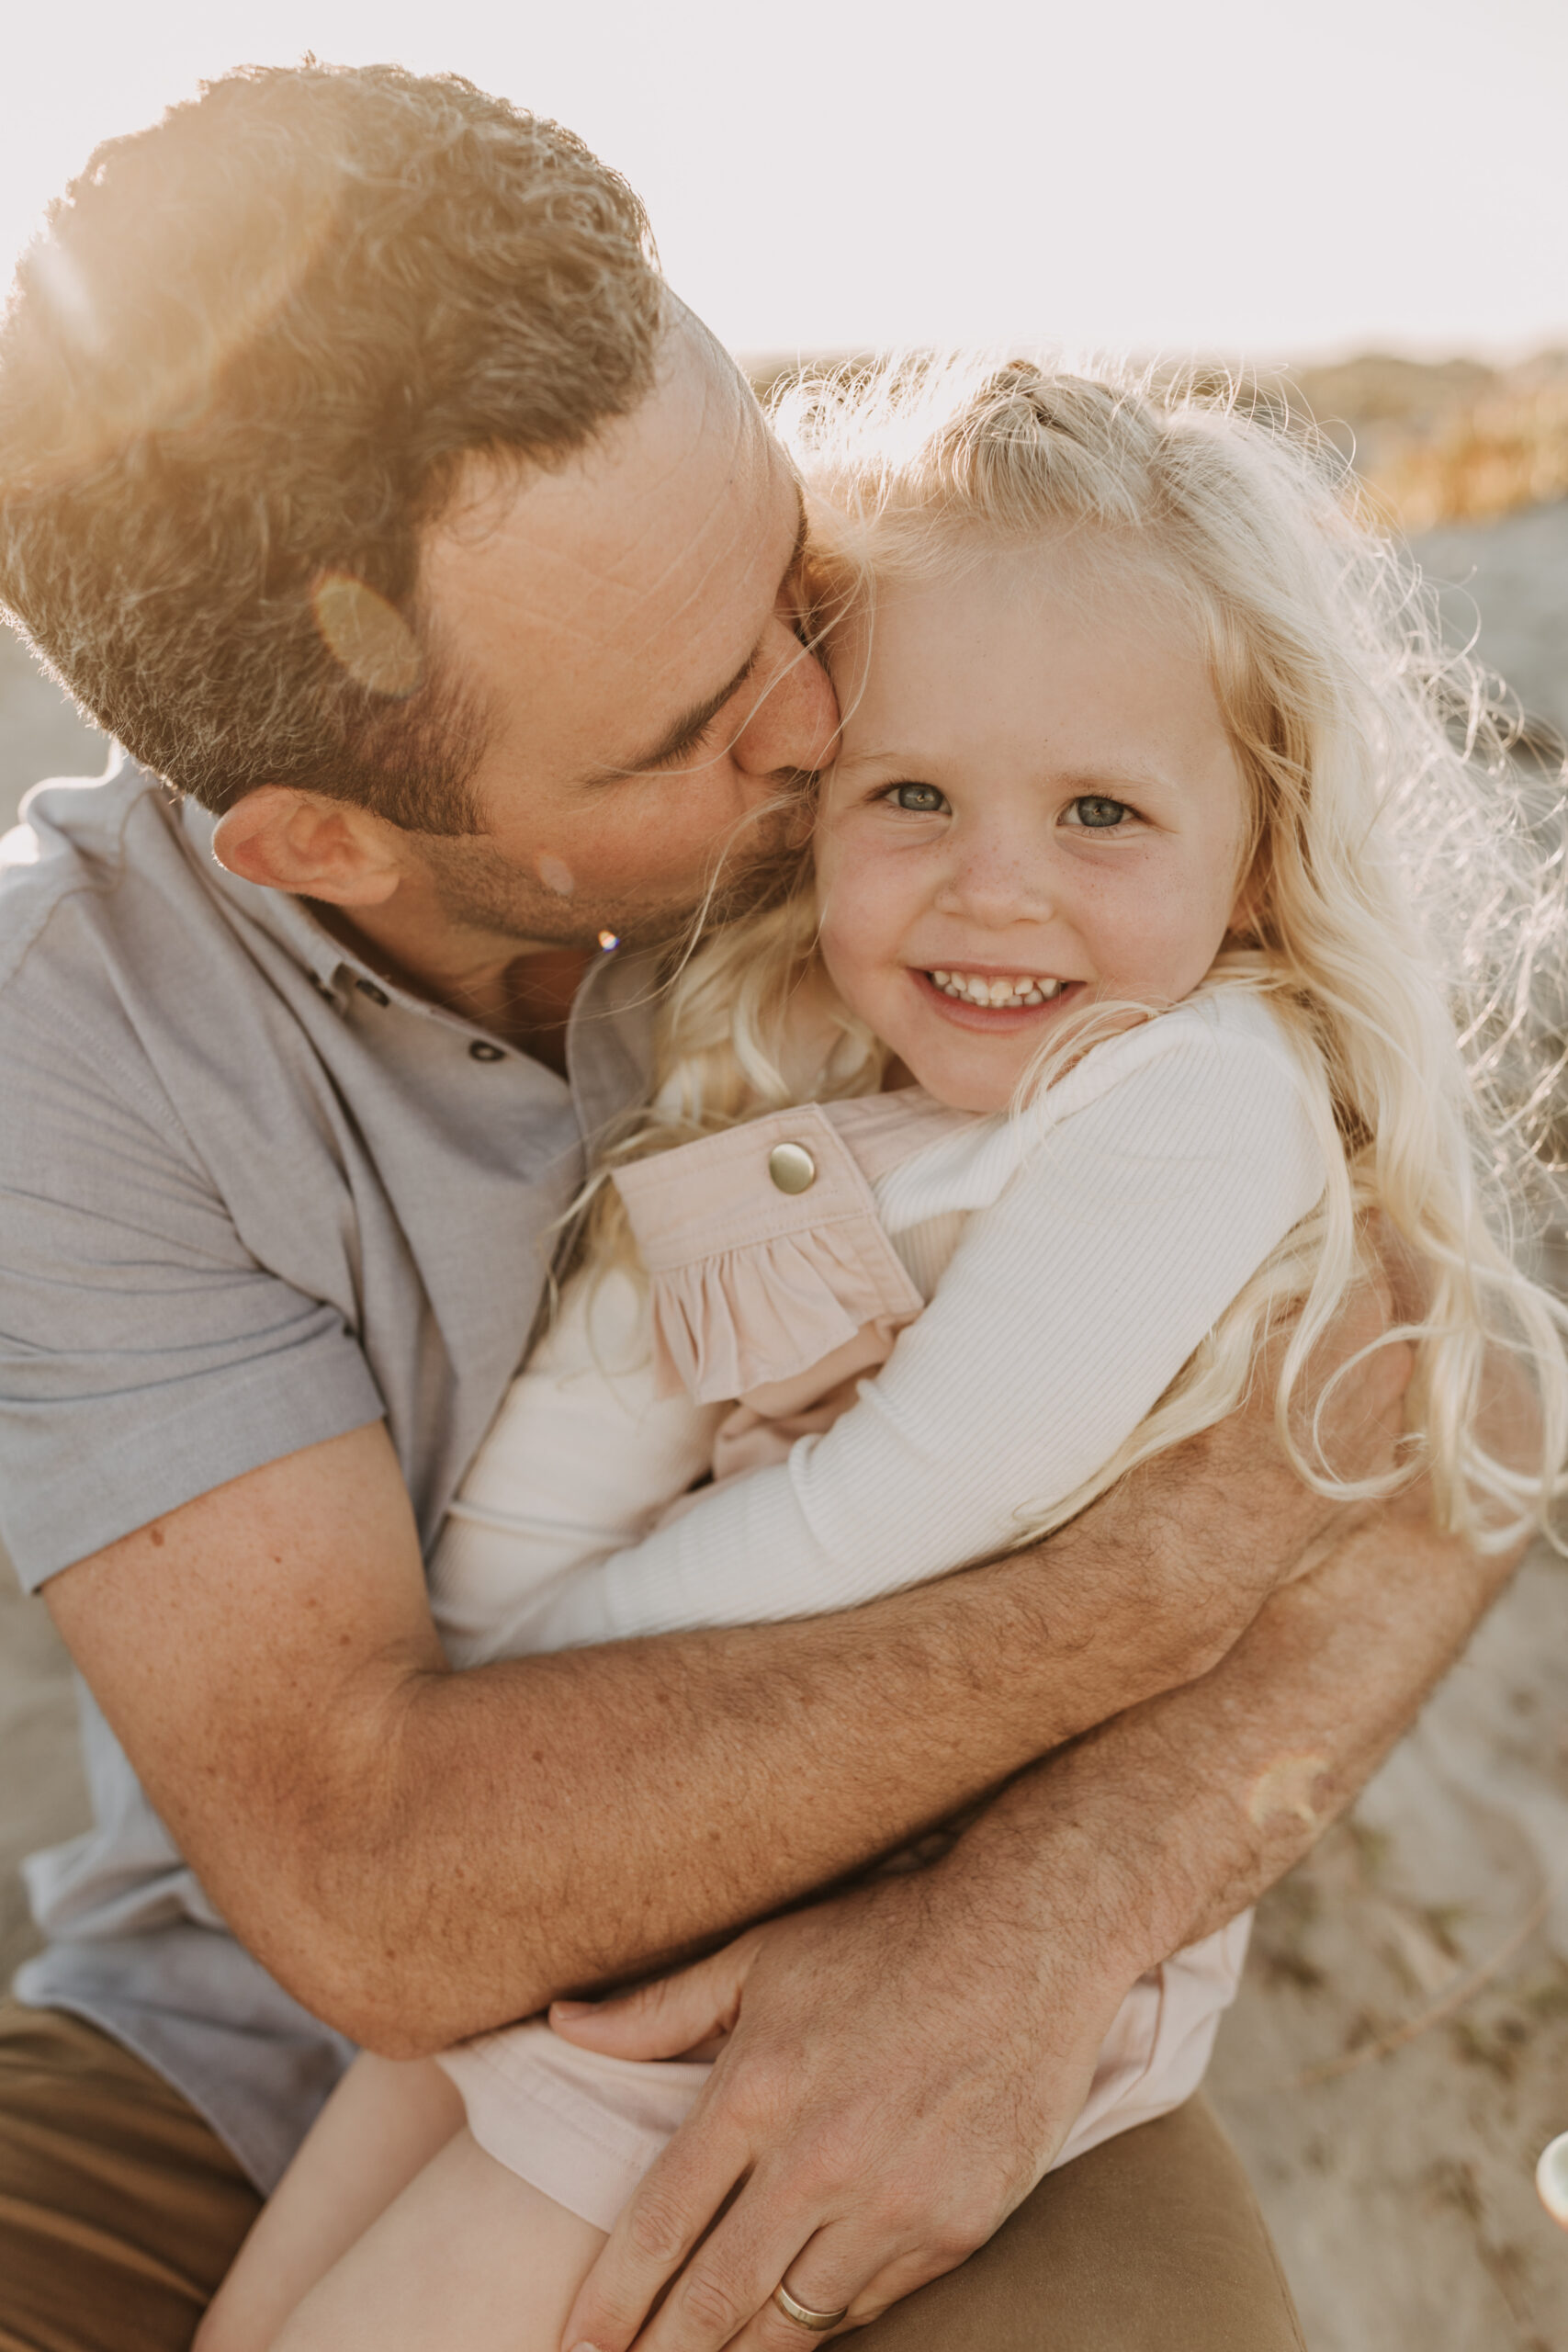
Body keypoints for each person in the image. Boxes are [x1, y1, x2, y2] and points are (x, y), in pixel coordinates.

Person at [0, 60, 1540, 2352]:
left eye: (789, 579)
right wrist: (1149, 1580)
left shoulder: (973, 682)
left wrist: (1049, 1904)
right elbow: (374, 1891)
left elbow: (1456, 1370)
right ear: (320, 838)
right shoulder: (71, 1037)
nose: (828, 717)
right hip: (240, 2032)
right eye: (697, 725)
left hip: (946, 1925)